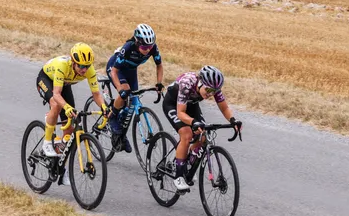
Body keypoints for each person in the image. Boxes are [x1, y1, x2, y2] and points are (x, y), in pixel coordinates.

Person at [162, 66, 241, 192]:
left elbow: (224, 108)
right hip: (173, 104)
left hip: (191, 104)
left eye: (214, 91)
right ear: (200, 82)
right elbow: (181, 113)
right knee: (187, 135)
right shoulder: (187, 83)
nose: (210, 94)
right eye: (208, 90)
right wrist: (193, 122)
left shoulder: (212, 88)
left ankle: (187, 162)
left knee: (203, 135)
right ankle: (178, 176)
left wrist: (233, 121)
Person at [35, 43, 108, 173]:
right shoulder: (63, 66)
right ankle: (47, 142)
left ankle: (60, 167)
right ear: (73, 62)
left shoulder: (89, 70)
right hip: (46, 79)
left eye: (86, 66)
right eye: (80, 65)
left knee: (69, 130)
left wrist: (103, 106)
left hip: (65, 83)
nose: (84, 70)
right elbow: (56, 94)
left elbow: (96, 94)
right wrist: (67, 107)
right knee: (56, 104)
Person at [105, 23, 165, 153]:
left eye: (149, 46)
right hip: (116, 68)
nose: (147, 49)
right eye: (144, 46)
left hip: (131, 70)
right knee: (125, 93)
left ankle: (120, 133)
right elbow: (114, 72)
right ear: (137, 42)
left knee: (133, 101)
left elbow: (159, 65)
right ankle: (112, 117)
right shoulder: (128, 48)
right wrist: (120, 90)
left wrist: (159, 83)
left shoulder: (152, 48)